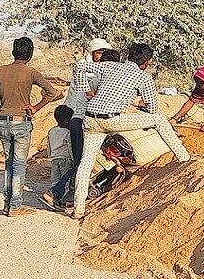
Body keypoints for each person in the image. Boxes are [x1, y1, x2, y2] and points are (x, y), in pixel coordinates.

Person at [71, 43, 191, 220]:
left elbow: (79, 66)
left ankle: (78, 209)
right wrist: (145, 119)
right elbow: (153, 108)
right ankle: (184, 158)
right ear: (146, 62)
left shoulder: (109, 65)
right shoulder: (143, 77)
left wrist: (86, 90)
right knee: (158, 119)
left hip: (90, 119)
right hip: (113, 119)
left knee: (86, 163)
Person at [0, 37, 59, 217]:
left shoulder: (0, 71)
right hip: (21, 122)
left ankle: (7, 204)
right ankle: (16, 206)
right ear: (30, 54)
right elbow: (52, 92)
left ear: (13, 52)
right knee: (19, 164)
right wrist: (36, 107)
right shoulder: (31, 73)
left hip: (2, 120)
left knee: (9, 163)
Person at [44, 47, 120, 210]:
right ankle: (58, 194)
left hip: (78, 120)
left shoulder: (91, 79)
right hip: (88, 123)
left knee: (80, 161)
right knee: (83, 162)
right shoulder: (105, 82)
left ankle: (64, 194)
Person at [47, 105, 74, 199]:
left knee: (55, 180)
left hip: (54, 159)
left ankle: (53, 196)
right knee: (65, 179)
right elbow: (70, 147)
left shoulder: (51, 131)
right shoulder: (67, 132)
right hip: (65, 159)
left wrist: (50, 156)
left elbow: (48, 145)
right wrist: (73, 159)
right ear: (65, 120)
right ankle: (63, 199)